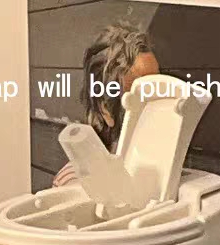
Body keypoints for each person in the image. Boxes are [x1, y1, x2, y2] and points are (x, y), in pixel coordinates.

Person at [53, 22, 159, 187]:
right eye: (142, 96)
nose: (159, 103)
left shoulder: (162, 166)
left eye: (161, 87)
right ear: (105, 108)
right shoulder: (77, 183)